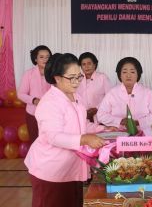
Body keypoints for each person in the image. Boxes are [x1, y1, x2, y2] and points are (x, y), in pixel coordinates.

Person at [24, 53, 111, 207]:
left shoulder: (75, 96)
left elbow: (81, 124)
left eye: (79, 76)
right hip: (51, 171)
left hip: (71, 168)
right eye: (72, 77)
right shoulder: (50, 102)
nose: (77, 82)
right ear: (57, 78)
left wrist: (104, 129)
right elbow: (54, 136)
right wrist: (84, 139)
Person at [97, 57, 152, 136]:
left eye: (132, 72)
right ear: (119, 75)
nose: (128, 75)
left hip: (143, 134)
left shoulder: (147, 93)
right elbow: (101, 115)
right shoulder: (112, 93)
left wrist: (139, 122)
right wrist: (120, 121)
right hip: (118, 133)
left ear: (138, 74)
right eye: (124, 72)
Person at [18, 45, 52, 144]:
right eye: (41, 57)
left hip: (50, 113)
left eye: (47, 57)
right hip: (32, 113)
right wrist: (34, 100)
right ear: (35, 59)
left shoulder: (53, 73)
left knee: (49, 141)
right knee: (34, 141)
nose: (45, 59)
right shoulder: (28, 74)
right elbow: (21, 94)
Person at [77, 52, 112, 123]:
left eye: (89, 63)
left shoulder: (102, 77)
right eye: (83, 64)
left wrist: (96, 108)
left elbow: (110, 97)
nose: (86, 66)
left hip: (101, 116)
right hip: (83, 117)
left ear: (94, 64)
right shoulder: (77, 80)